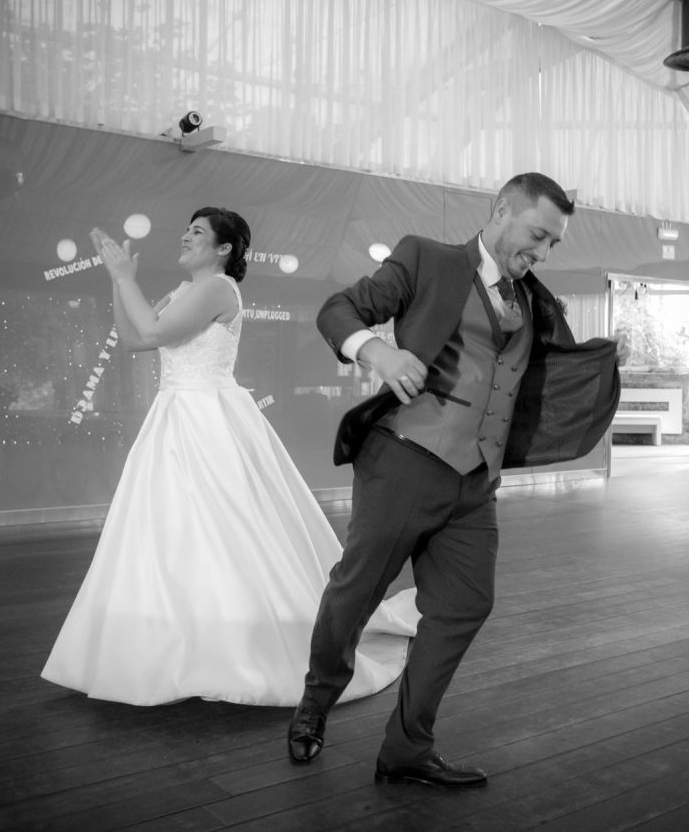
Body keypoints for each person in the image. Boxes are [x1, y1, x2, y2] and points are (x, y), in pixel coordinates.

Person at [289, 173, 619, 788]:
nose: (543, 253)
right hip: (405, 461)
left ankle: (407, 747)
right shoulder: (427, 258)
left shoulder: (530, 299)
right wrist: (375, 351)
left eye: (553, 244)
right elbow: (339, 309)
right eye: (537, 235)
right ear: (501, 211)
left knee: (466, 604)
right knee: (357, 590)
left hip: (475, 482)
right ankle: (315, 703)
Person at [41, 208, 419, 706]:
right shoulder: (183, 292)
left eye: (197, 232)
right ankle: (177, 635)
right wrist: (120, 284)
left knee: (225, 525)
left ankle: (234, 641)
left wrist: (121, 276)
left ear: (223, 249)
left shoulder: (219, 288)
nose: (185, 236)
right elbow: (135, 338)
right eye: (187, 229)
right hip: (174, 416)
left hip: (207, 418)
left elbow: (153, 334)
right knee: (168, 529)